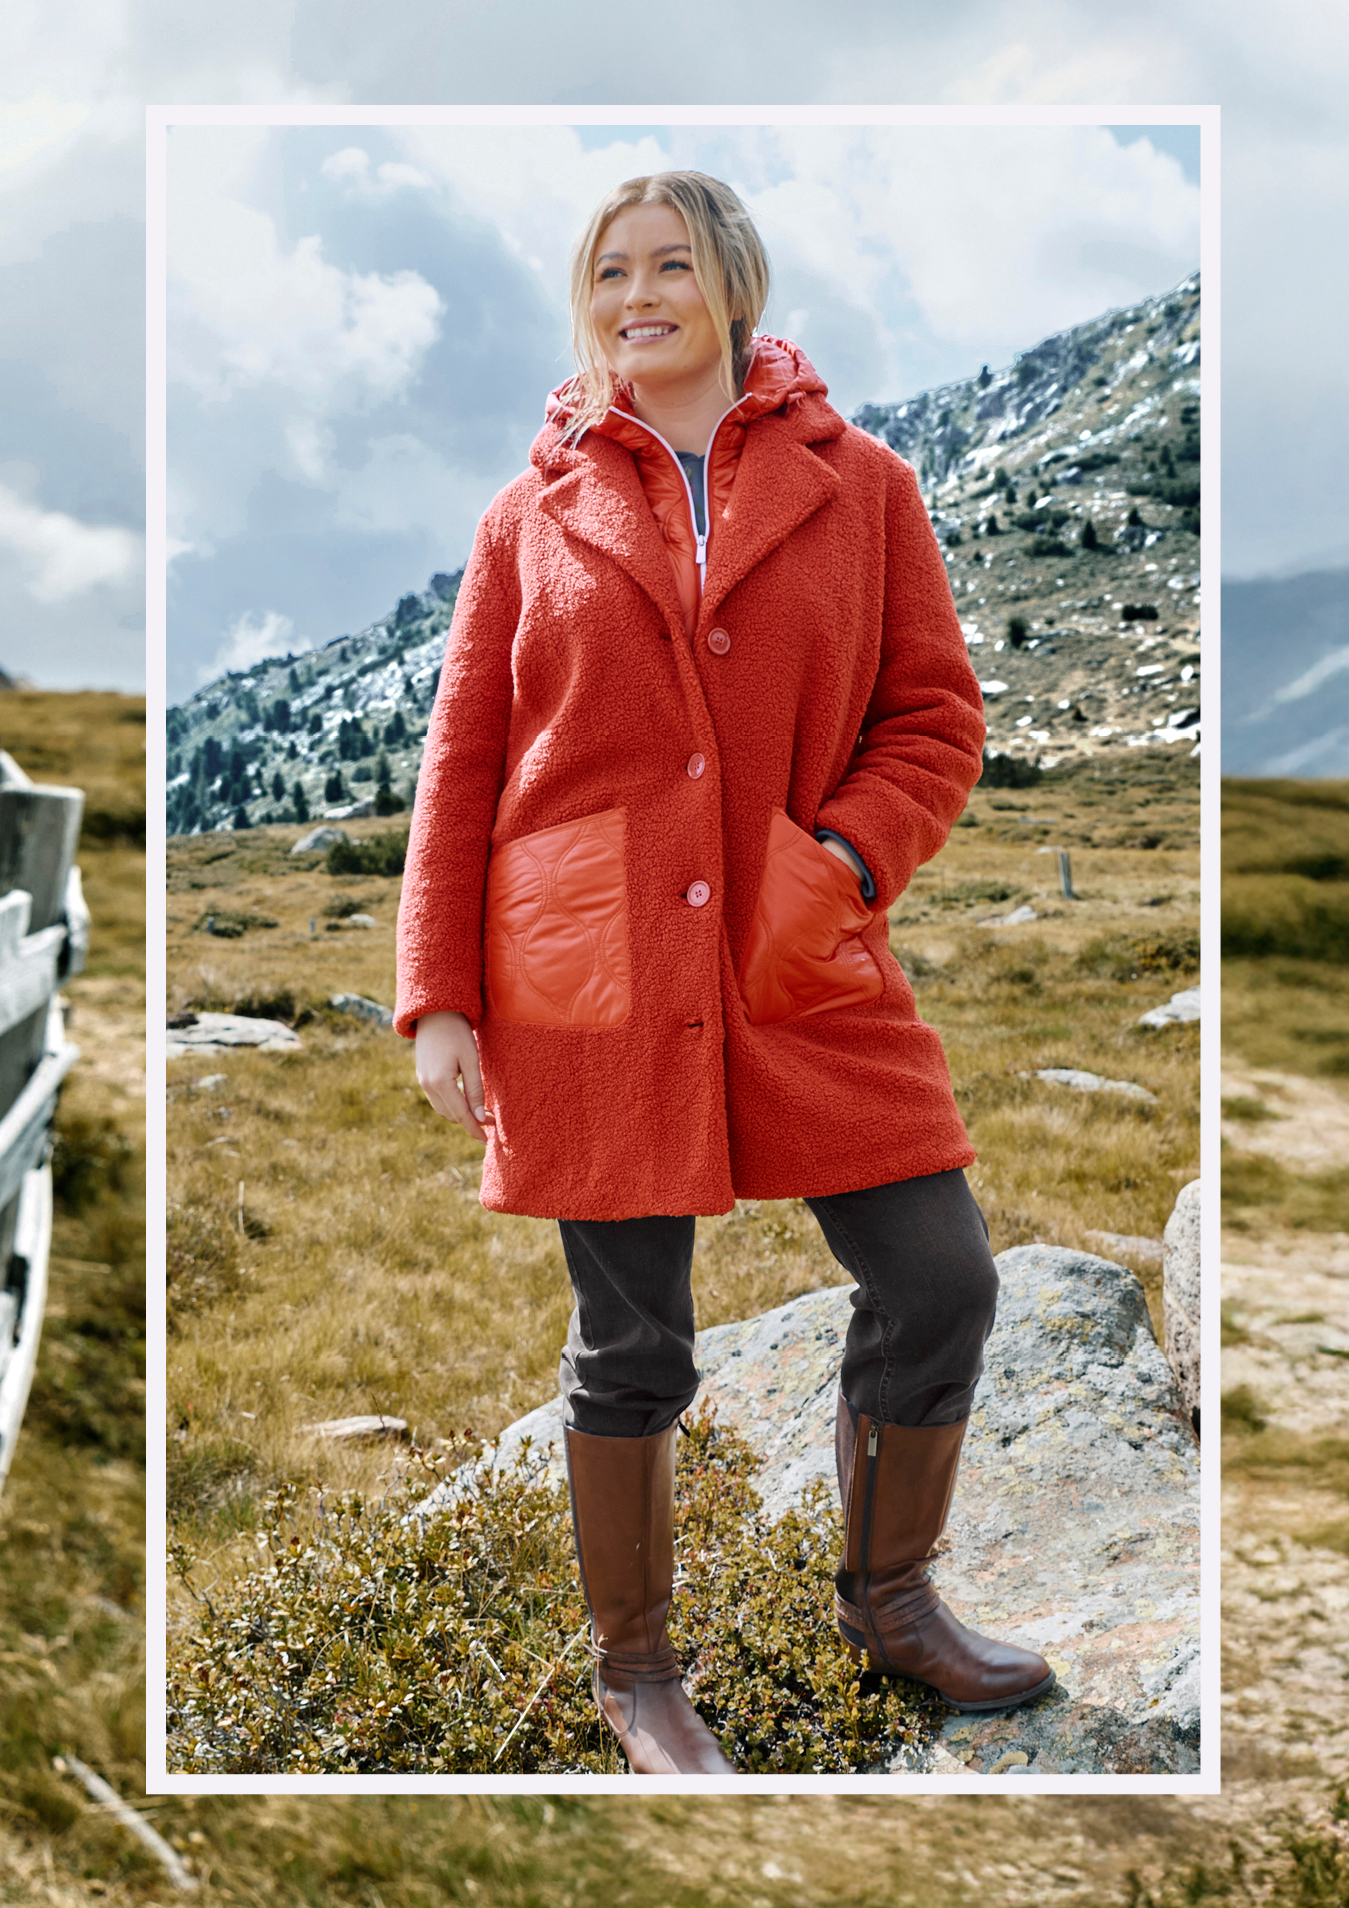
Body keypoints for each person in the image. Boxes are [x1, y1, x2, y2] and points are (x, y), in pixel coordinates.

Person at [394, 171, 1054, 1776]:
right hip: (586, 969)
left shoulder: (867, 485)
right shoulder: (526, 514)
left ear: (732, 282)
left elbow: (934, 719)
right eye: (609, 270)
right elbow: (463, 757)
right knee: (634, 1344)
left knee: (940, 1275)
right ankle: (639, 1677)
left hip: (797, 949)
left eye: (670, 263)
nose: (638, 294)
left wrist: (839, 865)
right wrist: (439, 993)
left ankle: (890, 1601)